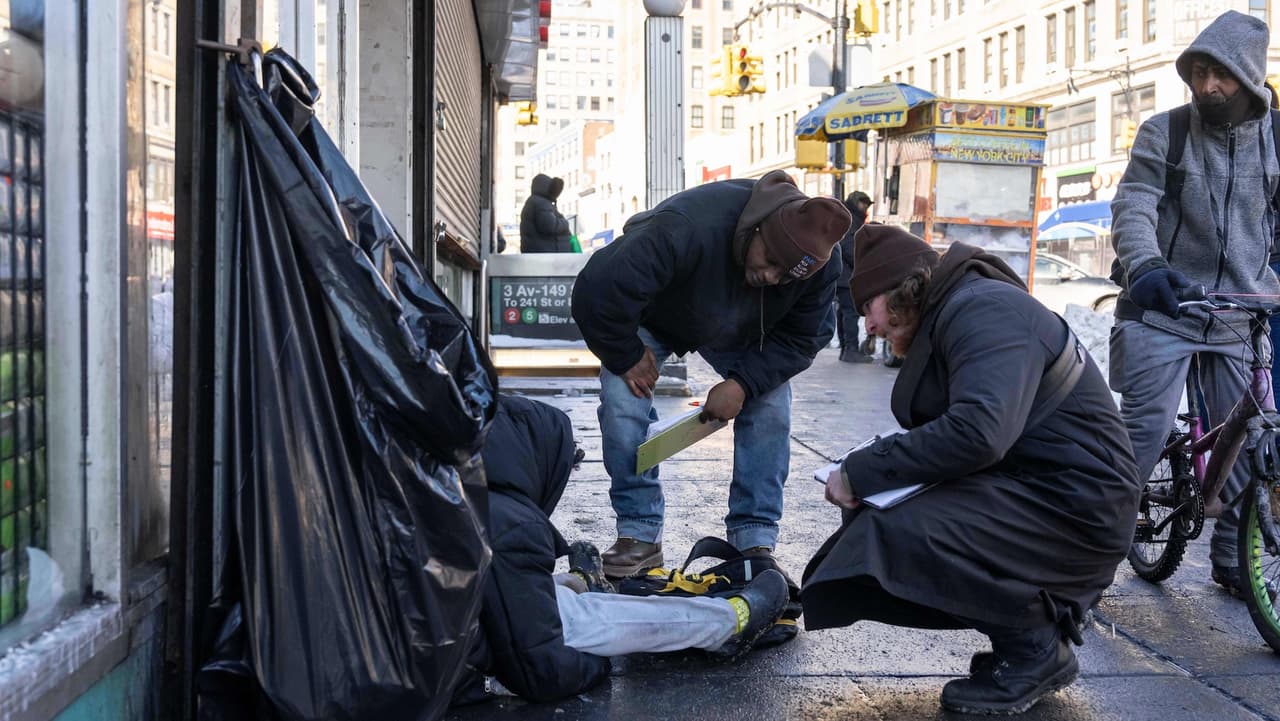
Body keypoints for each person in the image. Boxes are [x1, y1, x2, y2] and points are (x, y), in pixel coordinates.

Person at [802, 225, 1140, 715]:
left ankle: (1034, 646)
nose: (868, 327)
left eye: (867, 308)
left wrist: (862, 469)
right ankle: (1026, 636)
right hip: (1050, 495)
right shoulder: (963, 308)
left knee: (897, 532)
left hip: (1079, 511)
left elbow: (979, 431)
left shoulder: (984, 309)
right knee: (874, 530)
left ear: (901, 289)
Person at [571, 170, 851, 576]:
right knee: (622, 398)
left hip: (747, 328)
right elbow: (597, 289)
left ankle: (753, 540)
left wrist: (743, 383)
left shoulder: (821, 264)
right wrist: (626, 352)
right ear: (757, 229)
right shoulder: (685, 227)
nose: (771, 276)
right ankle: (639, 533)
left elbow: (804, 337)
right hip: (660, 314)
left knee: (771, 403)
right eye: (770, 260)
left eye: (785, 275)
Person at [454, 394, 790, 706]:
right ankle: (730, 623)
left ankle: (581, 585)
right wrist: (599, 659)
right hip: (453, 673)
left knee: (545, 603)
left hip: (437, 654)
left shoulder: (451, 494)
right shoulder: (506, 522)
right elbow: (545, 668)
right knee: (582, 621)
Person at [1109, 10, 1280, 597]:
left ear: (1249, 77)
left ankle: (1236, 559)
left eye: (1222, 75)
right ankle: (1089, 557)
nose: (1207, 86)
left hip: (1241, 308)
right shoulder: (1166, 131)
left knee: (1256, 438)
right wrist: (1148, 267)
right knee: (1143, 434)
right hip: (1164, 305)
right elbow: (1133, 207)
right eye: (1199, 72)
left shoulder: (1277, 139)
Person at [835, 191, 874, 363]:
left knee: (844, 311)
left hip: (841, 274)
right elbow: (847, 246)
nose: (865, 207)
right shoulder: (851, 219)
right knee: (850, 312)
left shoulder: (848, 217)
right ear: (855, 203)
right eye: (863, 204)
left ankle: (845, 349)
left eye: (867, 205)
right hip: (846, 275)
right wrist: (862, 261)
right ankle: (850, 349)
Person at [519, 174, 574, 252]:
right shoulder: (541, 203)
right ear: (546, 188)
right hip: (546, 255)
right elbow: (550, 226)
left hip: (542, 253)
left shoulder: (536, 202)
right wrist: (565, 222)